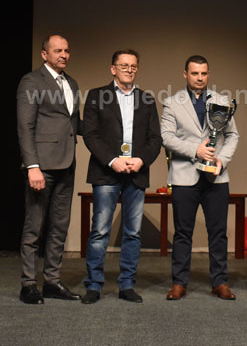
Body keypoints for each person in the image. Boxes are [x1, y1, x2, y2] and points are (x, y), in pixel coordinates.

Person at [81, 49, 162, 304]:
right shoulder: (96, 96)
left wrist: (141, 160)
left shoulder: (147, 99)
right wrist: (113, 160)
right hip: (106, 172)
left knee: (133, 233)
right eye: (124, 65)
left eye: (133, 66)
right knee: (100, 231)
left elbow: (155, 138)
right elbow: (90, 134)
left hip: (136, 172)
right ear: (113, 69)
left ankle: (127, 285)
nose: (129, 70)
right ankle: (94, 285)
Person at [161, 55, 239, 301]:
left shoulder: (222, 101)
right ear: (185, 74)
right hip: (185, 176)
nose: (200, 78)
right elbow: (167, 137)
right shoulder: (172, 103)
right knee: (183, 232)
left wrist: (221, 160)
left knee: (218, 232)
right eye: (195, 73)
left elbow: (233, 135)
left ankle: (220, 282)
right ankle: (179, 283)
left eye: (204, 73)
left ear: (208, 74)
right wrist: (196, 150)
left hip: (216, 176)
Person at [16, 34, 82, 304]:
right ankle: (28, 284)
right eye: (57, 51)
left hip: (67, 164)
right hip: (42, 166)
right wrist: (32, 166)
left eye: (67, 50)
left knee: (59, 227)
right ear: (45, 54)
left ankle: (52, 281)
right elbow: (25, 127)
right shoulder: (32, 81)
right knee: (34, 227)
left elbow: (73, 123)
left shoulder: (72, 83)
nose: (64, 55)